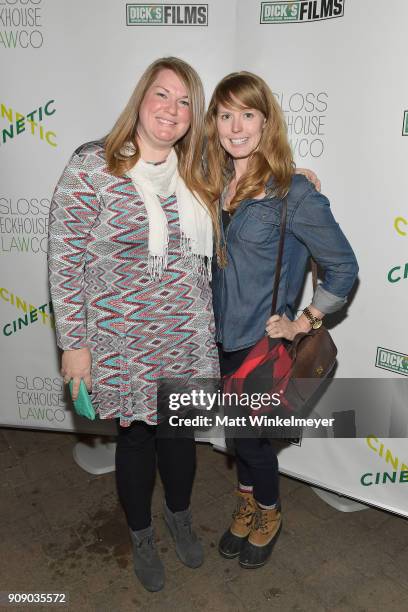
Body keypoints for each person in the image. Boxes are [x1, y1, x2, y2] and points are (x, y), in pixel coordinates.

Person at [48, 57, 219, 592]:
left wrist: (296, 180)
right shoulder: (93, 166)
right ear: (141, 100)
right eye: (162, 95)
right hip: (124, 343)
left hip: (186, 339)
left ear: (194, 115)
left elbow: (253, 183)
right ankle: (142, 533)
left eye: (185, 100)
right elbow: (64, 261)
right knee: (137, 442)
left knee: (180, 439)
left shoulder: (199, 171)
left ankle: (179, 514)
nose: (172, 109)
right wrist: (74, 347)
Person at [204, 71, 359, 569]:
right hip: (218, 339)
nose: (236, 126)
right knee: (238, 437)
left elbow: (343, 267)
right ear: (214, 124)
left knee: (252, 441)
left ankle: (267, 511)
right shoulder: (211, 184)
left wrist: (305, 321)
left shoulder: (294, 194)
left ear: (266, 122)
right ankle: (247, 502)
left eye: (248, 114)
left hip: (260, 343)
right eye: (226, 115)